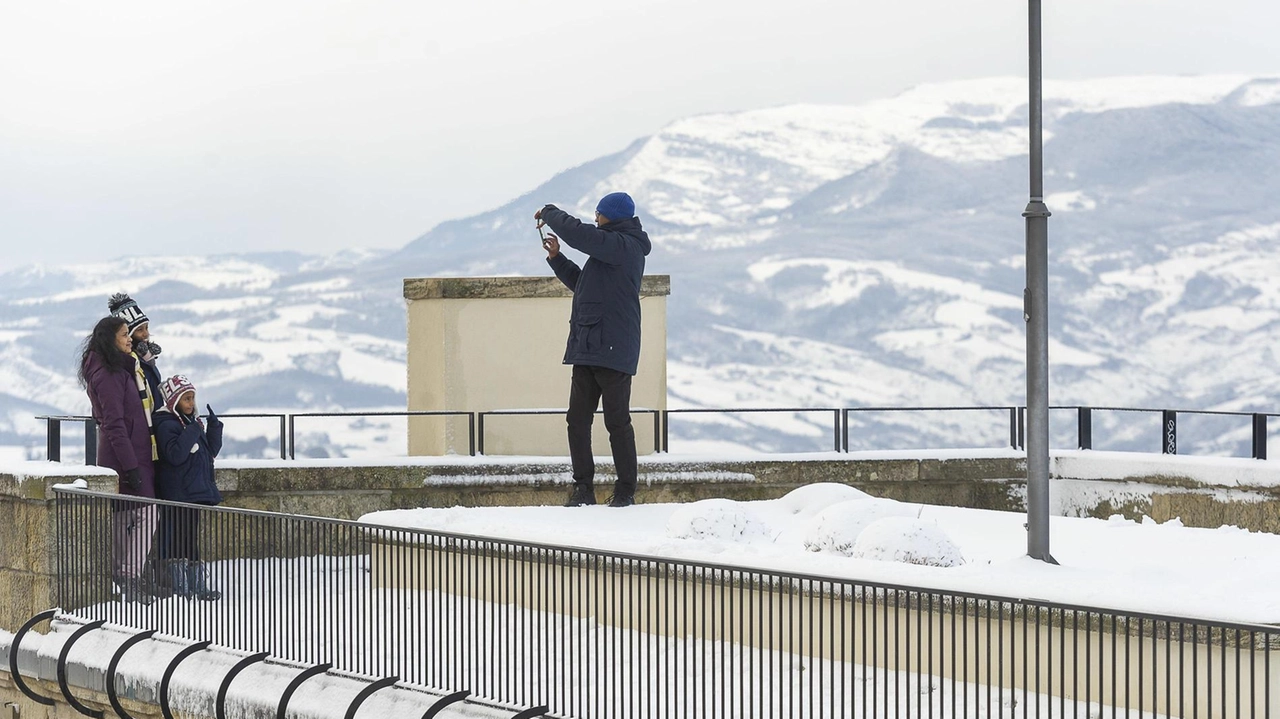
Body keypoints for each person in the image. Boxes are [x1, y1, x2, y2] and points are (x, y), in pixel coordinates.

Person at [535, 191, 652, 508]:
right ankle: (583, 488)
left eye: (599, 214)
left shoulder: (623, 246)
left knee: (617, 423)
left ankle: (625, 490)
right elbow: (583, 285)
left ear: (611, 217)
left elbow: (578, 233)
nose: (595, 219)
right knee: (577, 420)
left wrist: (550, 211)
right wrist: (557, 258)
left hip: (613, 349)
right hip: (588, 346)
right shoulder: (608, 251)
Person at [78, 315, 159, 602]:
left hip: (124, 454)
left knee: (124, 515)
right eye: (125, 334)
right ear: (110, 339)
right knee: (147, 512)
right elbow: (113, 423)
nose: (130, 339)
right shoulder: (109, 373)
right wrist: (131, 466)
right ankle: (129, 576)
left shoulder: (110, 367)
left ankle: (122, 574)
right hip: (126, 456)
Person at [153, 374, 224, 601]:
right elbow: (175, 455)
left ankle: (195, 583)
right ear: (174, 401)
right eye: (186, 399)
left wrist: (214, 428)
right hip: (177, 492)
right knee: (176, 538)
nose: (191, 404)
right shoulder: (167, 424)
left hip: (193, 492)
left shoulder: (188, 424)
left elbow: (208, 452)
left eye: (193, 398)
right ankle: (178, 585)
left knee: (190, 538)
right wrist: (194, 430)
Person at [108, 293, 164, 403]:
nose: (146, 334)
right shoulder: (126, 364)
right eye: (140, 330)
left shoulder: (146, 357)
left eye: (146, 328)